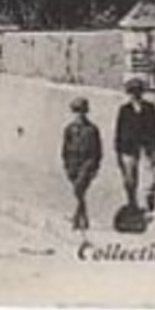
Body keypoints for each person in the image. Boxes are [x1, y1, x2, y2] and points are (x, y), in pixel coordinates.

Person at [114, 77, 155, 212]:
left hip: (147, 147)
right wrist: (118, 151)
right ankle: (132, 203)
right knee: (130, 179)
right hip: (128, 148)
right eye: (132, 92)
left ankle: (149, 206)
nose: (135, 94)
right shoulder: (124, 109)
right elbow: (119, 130)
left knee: (150, 179)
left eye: (138, 91)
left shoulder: (149, 108)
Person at [61, 96, 103, 232]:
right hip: (73, 163)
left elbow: (98, 150)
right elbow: (65, 148)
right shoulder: (69, 129)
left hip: (87, 163)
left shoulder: (92, 129)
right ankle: (82, 217)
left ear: (86, 112)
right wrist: (66, 164)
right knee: (80, 192)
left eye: (82, 111)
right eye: (77, 111)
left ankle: (76, 218)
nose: (80, 114)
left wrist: (96, 167)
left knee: (79, 189)